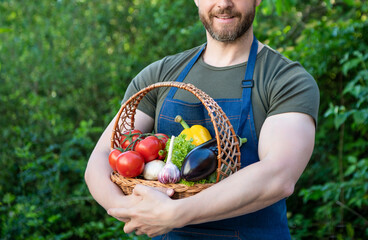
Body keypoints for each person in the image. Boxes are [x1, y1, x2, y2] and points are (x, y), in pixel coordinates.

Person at [84, 0, 319, 239]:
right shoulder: (160, 75)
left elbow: (278, 176)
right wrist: (128, 210)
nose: (224, 3)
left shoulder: (286, 80)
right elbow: (103, 156)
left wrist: (177, 213)